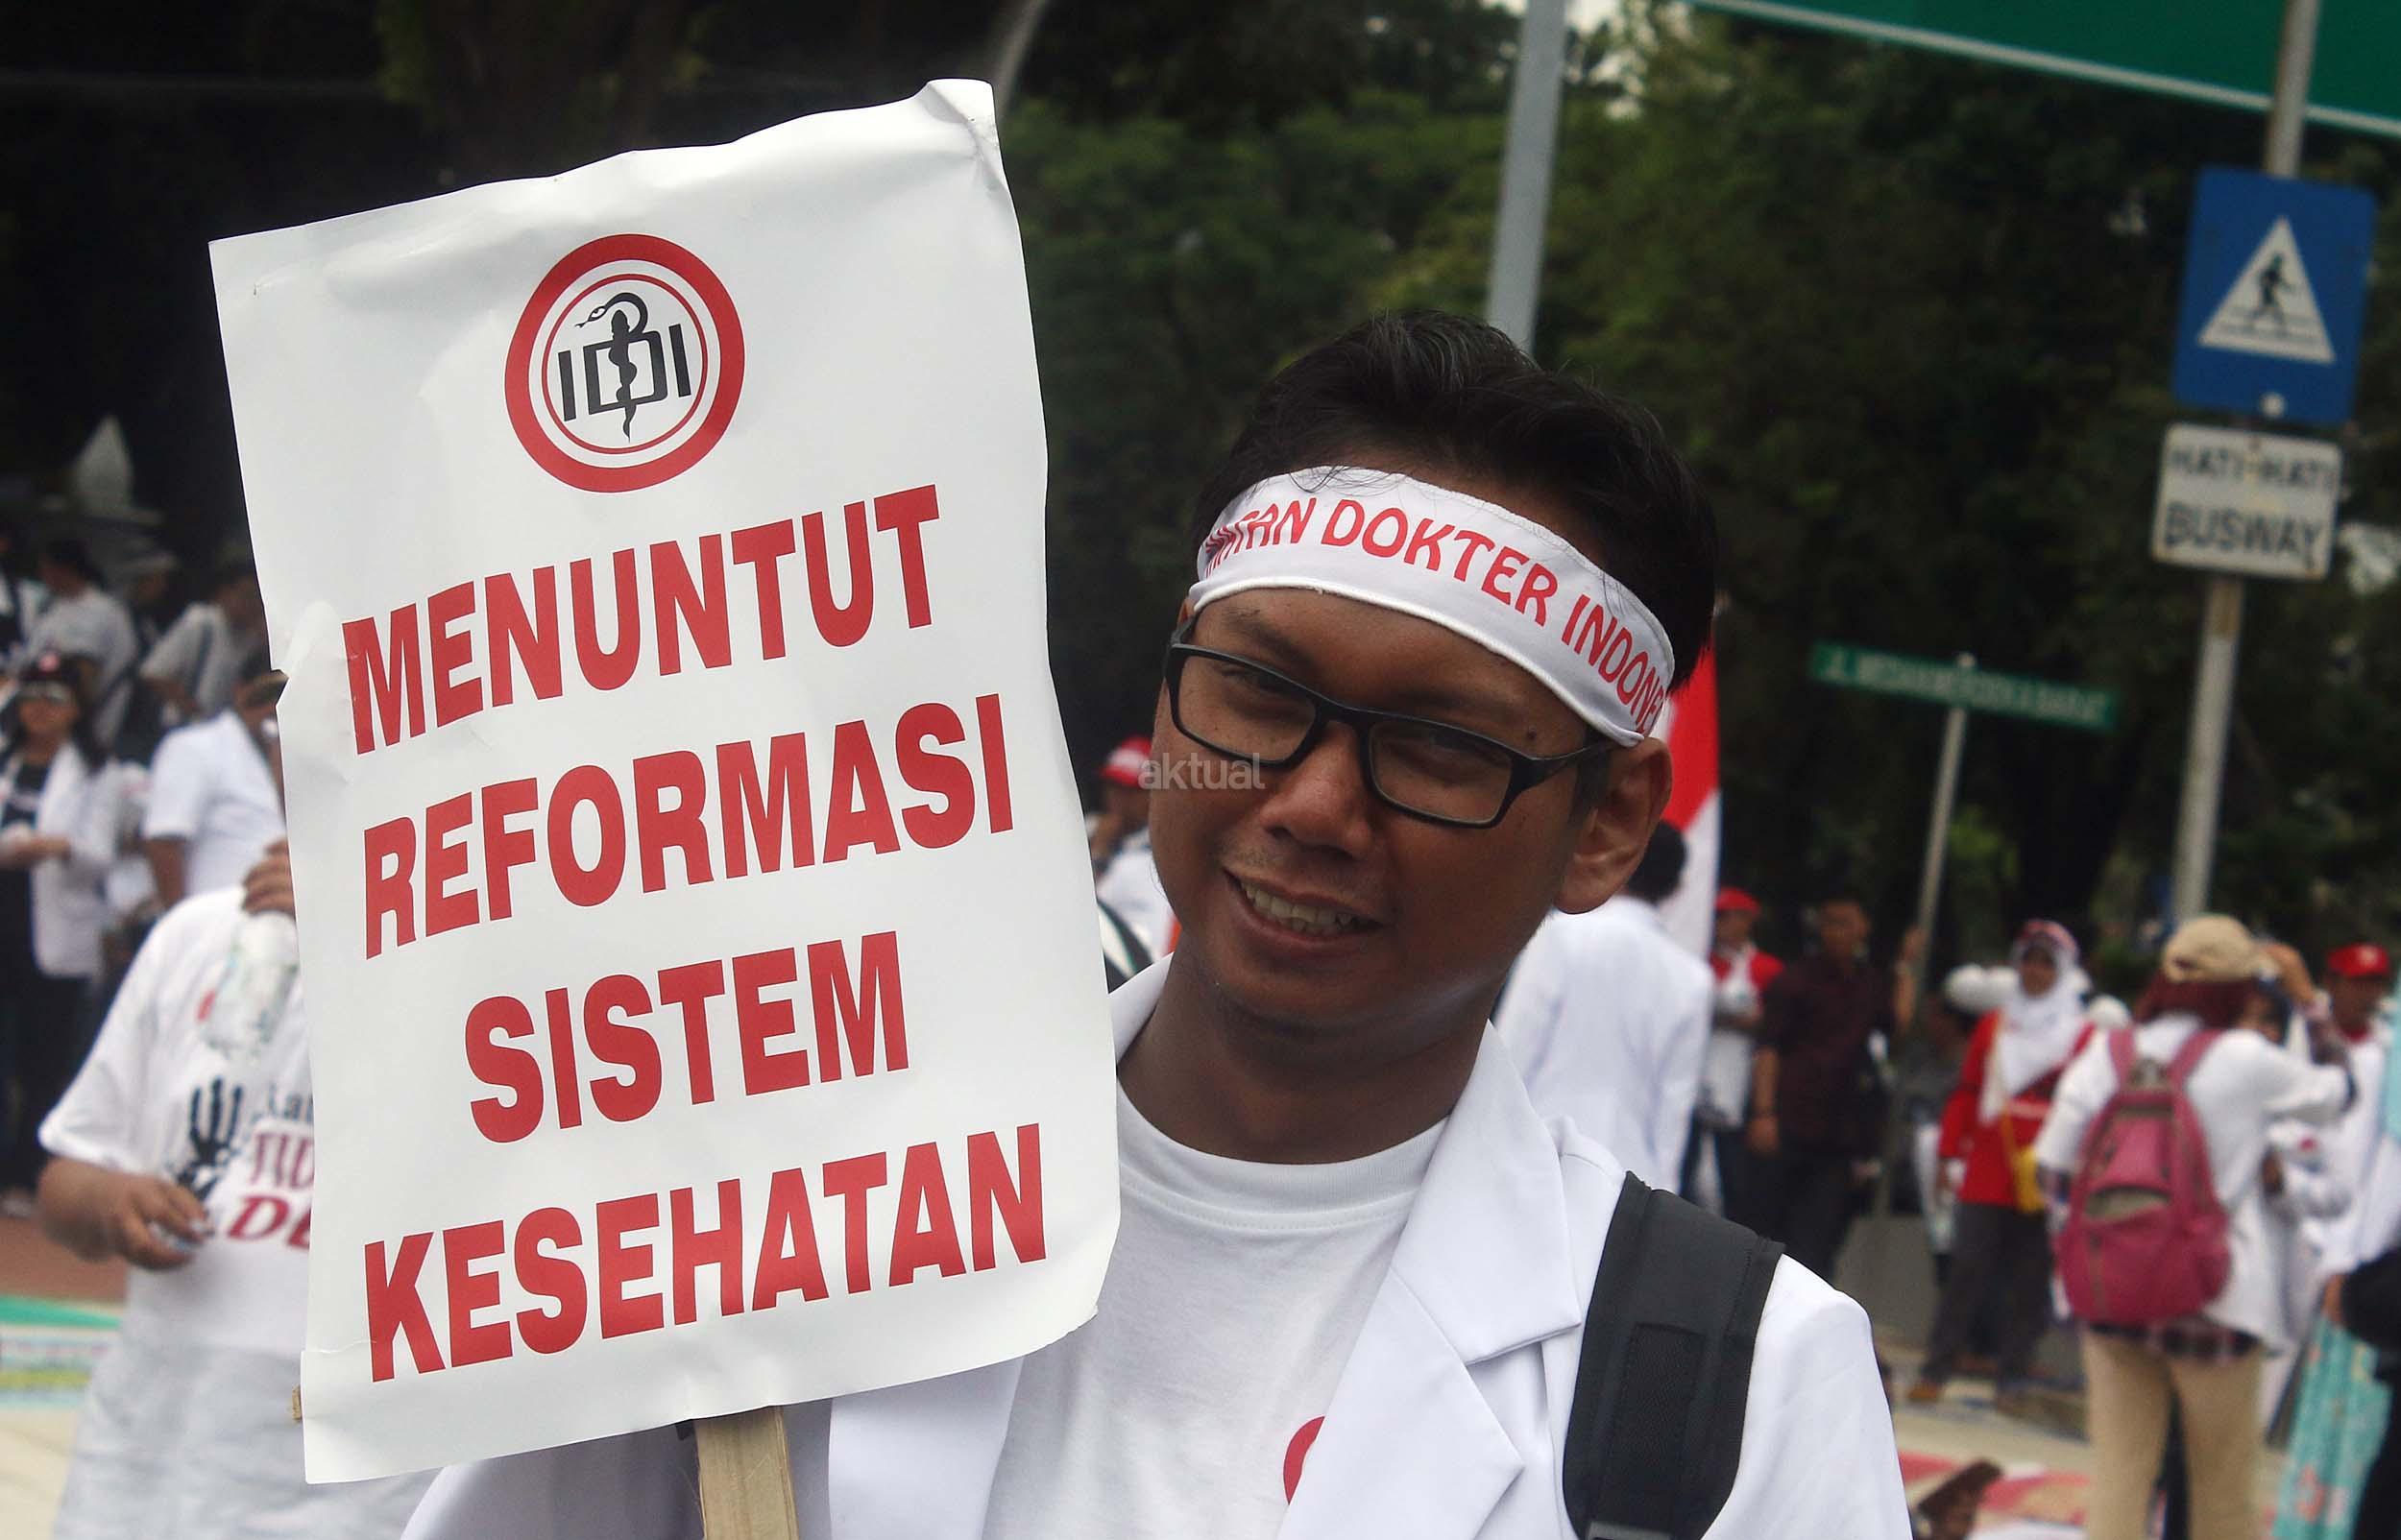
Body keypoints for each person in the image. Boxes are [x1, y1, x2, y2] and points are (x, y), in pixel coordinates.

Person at [402, 313, 1908, 1538]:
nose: (1313, 803)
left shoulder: (1735, 1388)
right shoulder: (770, 1215)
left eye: (1440, 745)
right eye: (1256, 691)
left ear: (1607, 824)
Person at [35, 844, 431, 1537]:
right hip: (146, 1461)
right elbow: (65, 1180)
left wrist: (369, 945)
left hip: (364, 1488)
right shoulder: (197, 935)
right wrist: (108, 1200)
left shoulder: (484, 958)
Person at [2033, 915, 2355, 1540]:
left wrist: (2103, 1239)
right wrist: (2309, 1002)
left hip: (2113, 1299)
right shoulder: (2247, 1060)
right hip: (2216, 1299)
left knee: (2120, 1479)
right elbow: (2339, 1093)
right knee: (2222, 1492)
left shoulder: (2109, 1052)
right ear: (2241, 989)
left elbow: (2052, 1167)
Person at [1908, 921, 2088, 1410]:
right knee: (1966, 1269)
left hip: (2048, 1167)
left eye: (2047, 963)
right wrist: (1949, 1152)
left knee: (2031, 1278)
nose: (2035, 971)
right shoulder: (1995, 1025)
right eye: (2029, 959)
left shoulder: (2082, 1034)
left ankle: (2013, 1376)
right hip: (1990, 1163)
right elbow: (1968, 1092)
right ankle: (1936, 1368)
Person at [1497, 822, 1712, 1190]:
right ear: (1676, 887)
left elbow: (1512, 1050)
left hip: (1533, 1153)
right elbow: (1674, 1104)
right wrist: (1663, 1192)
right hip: (1627, 1177)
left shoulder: (1560, 934)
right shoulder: (1693, 978)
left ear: (1615, 861)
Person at [2272, 940, 2396, 1540]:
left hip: (2356, 1240)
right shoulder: (2295, 1036)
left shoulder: (2385, 1054)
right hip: (2326, 1231)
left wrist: (2349, 1254)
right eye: (2354, 981)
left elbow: (2378, 1168)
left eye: (2375, 984)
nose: (2365, 995)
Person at [1748, 889, 1917, 1282]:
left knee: (1818, 1241)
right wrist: (1763, 1112)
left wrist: (1906, 967)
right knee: (1767, 1229)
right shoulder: (1796, 980)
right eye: (1829, 923)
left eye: (1845, 923)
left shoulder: (1869, 982)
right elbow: (1769, 1048)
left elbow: (1898, 1025)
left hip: (1839, 1131)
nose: (1836, 932)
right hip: (1789, 1119)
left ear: (1863, 928)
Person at [0, 653, 111, 1207]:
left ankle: (25, 1175)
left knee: (43, 1058)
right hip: (5, 913)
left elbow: (101, 854)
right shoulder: (6, 759)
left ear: (75, 710)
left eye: (54, 700)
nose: (39, 710)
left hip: (52, 931)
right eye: (31, 698)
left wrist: (57, 846)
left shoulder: (94, 770)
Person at [141, 665, 285, 908]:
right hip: (216, 914)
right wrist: (181, 920)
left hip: (279, 917)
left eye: (283, 698)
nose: (273, 707)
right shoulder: (195, 746)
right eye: (267, 696)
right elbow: (164, 842)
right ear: (240, 691)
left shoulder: (288, 756)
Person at [1694, 885, 1783, 1216]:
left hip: (1742, 1080)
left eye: (1727, 917)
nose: (1720, 924)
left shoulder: (1766, 968)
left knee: (1735, 1175)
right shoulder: (1700, 960)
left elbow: (1773, 1023)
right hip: (1698, 1076)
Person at [21, 538, 138, 745]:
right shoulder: (56, 606)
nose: (43, 576)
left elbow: (82, 677)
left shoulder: (99, 610)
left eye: (46, 569)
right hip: (49, 725)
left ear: (63, 569)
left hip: (84, 731)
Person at [138, 558, 264, 731]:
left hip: (213, 732)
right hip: (181, 725)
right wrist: (192, 710)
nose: (252, 605)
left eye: (257, 599)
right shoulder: (201, 622)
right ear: (225, 593)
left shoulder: (248, 637)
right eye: (247, 596)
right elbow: (154, 672)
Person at [1092, 734, 1175, 956]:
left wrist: (1099, 853)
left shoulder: (1162, 851)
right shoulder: (1085, 829)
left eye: (1130, 790)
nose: (1119, 799)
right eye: (1114, 786)